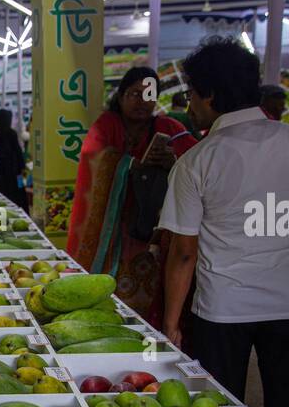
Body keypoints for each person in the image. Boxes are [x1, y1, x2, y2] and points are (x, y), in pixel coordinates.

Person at [159, 37, 289, 407]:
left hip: (224, 309)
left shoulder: (199, 160)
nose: (190, 105)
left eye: (192, 94)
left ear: (211, 95)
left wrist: (170, 323)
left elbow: (184, 252)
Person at [66, 66, 197, 325]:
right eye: (135, 94)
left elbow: (197, 162)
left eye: (149, 95)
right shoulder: (107, 125)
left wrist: (173, 162)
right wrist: (129, 165)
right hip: (113, 230)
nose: (142, 101)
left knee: (152, 296)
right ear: (122, 95)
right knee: (109, 293)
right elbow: (94, 159)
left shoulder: (168, 126)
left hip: (154, 231)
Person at [0, 108, 27, 210]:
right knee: (17, 189)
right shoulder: (11, 132)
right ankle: (17, 207)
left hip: (1, 165)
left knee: (1, 189)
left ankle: (1, 209)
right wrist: (22, 166)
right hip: (14, 165)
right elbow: (18, 150)